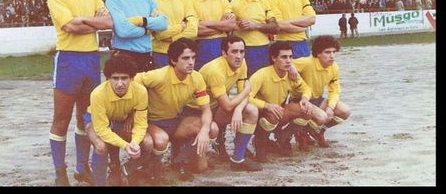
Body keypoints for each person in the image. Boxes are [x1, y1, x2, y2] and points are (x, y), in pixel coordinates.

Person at [46, 0, 113, 186]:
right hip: (68, 61)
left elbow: (108, 22)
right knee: (61, 119)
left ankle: (81, 168)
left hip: (91, 60)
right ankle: (59, 172)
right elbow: (68, 27)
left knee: (86, 117)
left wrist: (82, 21)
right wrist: (91, 22)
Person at [134, 38, 218, 182]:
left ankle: (179, 160)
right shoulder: (159, 76)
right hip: (152, 122)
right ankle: (150, 167)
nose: (191, 62)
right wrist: (133, 112)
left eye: (193, 57)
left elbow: (206, 109)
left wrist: (204, 130)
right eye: (185, 58)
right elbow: (131, 81)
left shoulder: (197, 78)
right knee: (161, 140)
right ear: (173, 61)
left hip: (175, 120)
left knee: (212, 128)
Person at [249, 41, 327, 162]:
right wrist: (267, 106)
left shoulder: (291, 74)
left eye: (290, 57)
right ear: (273, 58)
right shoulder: (261, 75)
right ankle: (260, 145)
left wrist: (305, 99)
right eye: (284, 57)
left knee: (306, 110)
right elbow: (246, 98)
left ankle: (284, 137)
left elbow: (306, 88)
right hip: (258, 115)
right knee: (272, 115)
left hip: (279, 111)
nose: (289, 61)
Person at [84, 57, 153, 186]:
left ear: (132, 78)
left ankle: (127, 170)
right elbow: (102, 129)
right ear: (108, 78)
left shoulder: (141, 91)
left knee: (147, 142)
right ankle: (100, 182)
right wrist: (125, 145)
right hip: (97, 120)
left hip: (121, 119)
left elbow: (141, 123)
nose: (120, 83)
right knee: (101, 146)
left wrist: (134, 143)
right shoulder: (97, 94)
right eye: (115, 78)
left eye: (124, 78)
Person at [198, 36, 262, 171]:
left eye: (242, 51)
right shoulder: (215, 70)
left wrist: (239, 110)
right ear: (224, 53)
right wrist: (247, 91)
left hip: (217, 107)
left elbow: (241, 95)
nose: (239, 56)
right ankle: (216, 142)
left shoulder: (242, 62)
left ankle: (237, 159)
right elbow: (229, 104)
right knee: (201, 168)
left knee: (251, 110)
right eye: (234, 52)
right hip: (198, 112)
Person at [105, 0, 168, 73]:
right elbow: (123, 30)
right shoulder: (113, 0)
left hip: (147, 58)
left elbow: (163, 23)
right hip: (124, 57)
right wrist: (147, 30)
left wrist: (141, 21)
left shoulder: (149, 0)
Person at [290, 35, 351, 149]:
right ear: (318, 53)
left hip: (317, 99)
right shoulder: (307, 62)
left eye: (334, 52)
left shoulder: (334, 67)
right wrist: (291, 67)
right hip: (299, 100)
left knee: (345, 111)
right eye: (327, 52)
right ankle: (300, 132)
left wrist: (330, 107)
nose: (332, 56)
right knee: (322, 117)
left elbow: (335, 90)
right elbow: (286, 63)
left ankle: (319, 132)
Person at [231, 0, 279, 76]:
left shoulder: (263, 1)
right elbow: (229, 32)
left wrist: (255, 25)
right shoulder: (233, 5)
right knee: (249, 89)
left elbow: (275, 27)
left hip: (265, 50)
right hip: (246, 52)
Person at [150, 0, 198, 67]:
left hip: (183, 56)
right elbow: (160, 34)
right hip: (161, 56)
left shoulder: (186, 0)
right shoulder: (150, 1)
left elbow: (193, 31)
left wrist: (172, 38)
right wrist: (181, 27)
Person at [189, 0, 236, 70]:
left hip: (222, 47)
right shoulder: (189, 1)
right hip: (200, 48)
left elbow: (232, 24)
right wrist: (222, 27)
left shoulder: (223, 0)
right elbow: (196, 29)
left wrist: (206, 23)